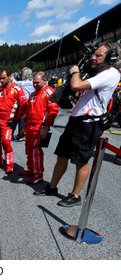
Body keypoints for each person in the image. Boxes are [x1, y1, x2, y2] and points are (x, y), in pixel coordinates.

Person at [34, 43, 120, 207]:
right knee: (62, 155)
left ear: (111, 58)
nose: (94, 57)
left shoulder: (111, 73)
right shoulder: (98, 73)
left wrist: (76, 73)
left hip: (88, 123)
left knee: (81, 160)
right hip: (77, 120)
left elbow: (77, 85)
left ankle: (75, 195)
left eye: (99, 55)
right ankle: (52, 187)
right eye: (94, 54)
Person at [18, 71, 59, 184]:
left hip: (39, 127)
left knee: (36, 151)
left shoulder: (49, 92)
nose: (35, 85)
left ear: (44, 81)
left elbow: (53, 111)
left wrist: (45, 128)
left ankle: (38, 174)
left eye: (37, 82)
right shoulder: (33, 94)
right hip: (30, 126)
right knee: (28, 150)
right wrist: (24, 127)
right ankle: (31, 170)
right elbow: (29, 112)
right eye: (33, 82)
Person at [0, 69, 28, 174]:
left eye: (3, 78)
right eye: (0, 78)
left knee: (6, 142)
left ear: (10, 77)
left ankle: (9, 164)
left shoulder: (17, 89)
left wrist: (16, 119)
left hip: (7, 122)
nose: (1, 80)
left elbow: (24, 105)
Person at [13, 67, 35, 141]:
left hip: (23, 102)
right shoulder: (33, 82)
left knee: (20, 119)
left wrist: (18, 73)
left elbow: (14, 81)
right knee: (25, 119)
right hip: (31, 102)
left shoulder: (23, 83)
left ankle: (20, 135)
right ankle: (22, 133)